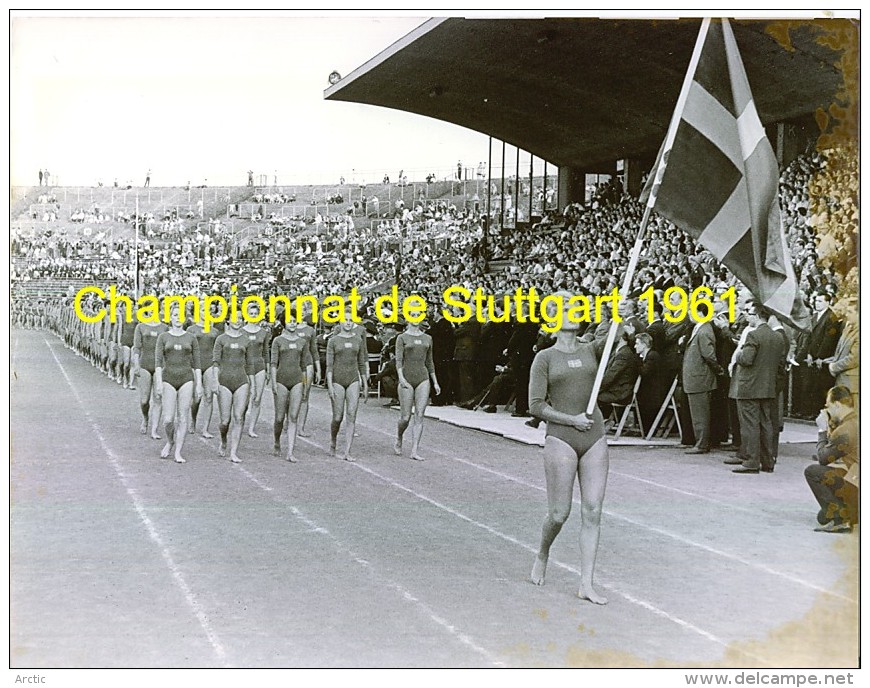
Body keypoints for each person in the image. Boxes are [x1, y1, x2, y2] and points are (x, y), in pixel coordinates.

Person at [528, 291, 609, 605]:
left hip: (595, 436)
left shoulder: (593, 349)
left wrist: (621, 316)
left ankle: (586, 583)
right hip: (561, 437)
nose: (572, 312)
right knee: (560, 514)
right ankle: (543, 552)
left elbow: (613, 329)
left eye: (575, 307)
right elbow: (535, 405)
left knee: (593, 510)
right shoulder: (544, 357)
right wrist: (569, 420)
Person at [727, 302, 784, 474]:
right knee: (766, 423)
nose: (747, 317)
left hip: (749, 387)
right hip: (767, 387)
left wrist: (738, 353)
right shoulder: (777, 337)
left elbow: (746, 359)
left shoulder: (753, 335)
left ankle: (751, 461)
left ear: (758, 315)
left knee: (750, 425)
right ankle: (768, 461)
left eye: (750, 314)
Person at [804, 386, 858, 533]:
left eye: (828, 406)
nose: (826, 410)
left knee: (813, 471)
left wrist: (822, 429)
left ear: (837, 405)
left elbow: (823, 459)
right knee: (822, 516)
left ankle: (840, 520)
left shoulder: (845, 430)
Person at [153, 304, 202, 464]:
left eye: (180, 315)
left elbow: (197, 363)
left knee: (182, 417)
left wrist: (199, 384)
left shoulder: (191, 338)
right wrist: (159, 382)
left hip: (186, 378)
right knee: (168, 419)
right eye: (175, 315)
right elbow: (158, 362)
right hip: (168, 378)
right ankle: (170, 441)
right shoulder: (163, 337)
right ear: (170, 317)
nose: (178, 318)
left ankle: (178, 452)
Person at [394, 318, 441, 460]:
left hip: (423, 378)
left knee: (419, 415)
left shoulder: (428, 338)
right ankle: (399, 436)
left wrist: (435, 382)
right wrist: (401, 378)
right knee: (405, 417)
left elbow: (429, 362)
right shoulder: (401, 338)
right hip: (407, 377)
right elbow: (398, 360)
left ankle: (414, 450)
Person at [326, 313, 368, 460]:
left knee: (351, 415)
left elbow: (361, 362)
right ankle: (333, 441)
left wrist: (365, 382)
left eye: (351, 320)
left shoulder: (358, 340)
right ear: (340, 322)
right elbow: (329, 366)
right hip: (337, 379)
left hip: (353, 380)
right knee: (337, 417)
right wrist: (330, 385)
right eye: (345, 320)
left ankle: (347, 451)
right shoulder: (333, 341)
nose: (348, 323)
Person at [213, 313, 254, 463]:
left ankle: (233, 451)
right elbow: (216, 362)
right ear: (228, 320)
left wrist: (253, 385)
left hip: (241, 381)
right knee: (225, 421)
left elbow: (250, 365)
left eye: (240, 318)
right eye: (234, 318)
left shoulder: (246, 340)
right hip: (224, 381)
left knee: (239, 417)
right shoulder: (221, 339)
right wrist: (214, 381)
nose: (238, 321)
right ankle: (223, 440)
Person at [271, 317, 312, 462]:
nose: (293, 323)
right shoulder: (278, 341)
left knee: (293, 416)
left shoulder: (302, 342)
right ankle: (277, 441)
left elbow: (304, 365)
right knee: (279, 417)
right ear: (284, 323)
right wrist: (274, 382)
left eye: (295, 321)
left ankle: (290, 452)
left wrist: (305, 383)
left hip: (297, 381)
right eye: (289, 321)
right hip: (281, 380)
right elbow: (274, 363)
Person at [681, 304, 721, 454]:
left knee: (700, 414)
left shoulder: (704, 330)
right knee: (698, 413)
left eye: (692, 311)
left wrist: (718, 370)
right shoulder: (699, 328)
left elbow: (709, 355)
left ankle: (701, 443)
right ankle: (700, 442)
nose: (689, 314)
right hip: (695, 378)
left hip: (700, 379)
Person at [132, 314, 168, 439]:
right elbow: (137, 348)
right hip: (144, 365)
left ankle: (154, 429)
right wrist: (136, 364)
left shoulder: (164, 327)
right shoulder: (140, 327)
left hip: (160, 366)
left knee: (158, 398)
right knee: (144, 400)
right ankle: (145, 418)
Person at [242, 317, 271, 438]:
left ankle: (251, 428)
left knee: (257, 398)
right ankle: (240, 422)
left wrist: (268, 369)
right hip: (245, 366)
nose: (253, 316)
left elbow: (265, 352)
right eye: (251, 314)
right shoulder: (242, 331)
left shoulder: (263, 332)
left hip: (259, 366)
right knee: (245, 399)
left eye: (255, 314)